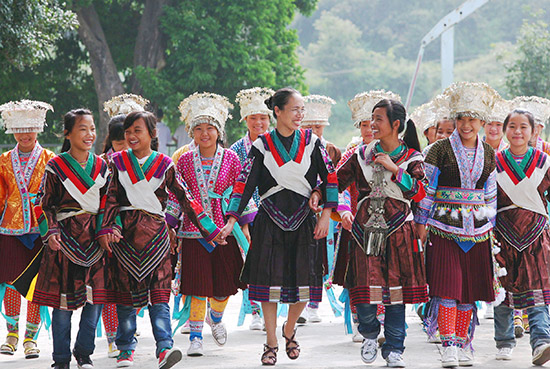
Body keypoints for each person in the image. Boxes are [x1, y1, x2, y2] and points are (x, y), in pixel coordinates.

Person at [98, 110, 222, 369]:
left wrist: (210, 230)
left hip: (157, 237)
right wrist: (106, 228)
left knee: (160, 297)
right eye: (128, 131)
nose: (132, 136)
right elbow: (110, 198)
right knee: (125, 298)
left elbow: (186, 199)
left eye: (137, 131)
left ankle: (165, 348)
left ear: (152, 134)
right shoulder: (117, 163)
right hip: (126, 240)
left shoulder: (165, 164)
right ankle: (125, 350)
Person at [222, 87, 337, 365]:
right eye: (295, 109)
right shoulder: (261, 146)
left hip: (304, 221)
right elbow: (244, 184)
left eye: (302, 110)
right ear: (278, 111)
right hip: (269, 221)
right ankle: (271, 340)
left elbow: (330, 178)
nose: (300, 115)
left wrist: (325, 213)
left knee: (306, 284)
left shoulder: (313, 143)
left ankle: (289, 328)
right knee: (267, 285)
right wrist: (231, 220)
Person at [336, 98, 427, 368]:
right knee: (363, 292)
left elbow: (420, 193)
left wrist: (395, 169)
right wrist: (319, 192)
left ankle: (395, 349)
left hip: (400, 231)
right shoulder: (360, 155)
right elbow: (336, 181)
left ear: (395, 124)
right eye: (371, 119)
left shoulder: (413, 158)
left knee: (396, 296)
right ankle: (369, 334)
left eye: (378, 119)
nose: (372, 124)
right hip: (365, 232)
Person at [17, 108, 109, 369]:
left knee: (95, 302)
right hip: (65, 240)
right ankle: (60, 359)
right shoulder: (56, 166)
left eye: (92, 129)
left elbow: (108, 204)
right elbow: (44, 204)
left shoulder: (103, 166)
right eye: (83, 129)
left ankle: (84, 353)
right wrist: (52, 232)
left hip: (95, 241)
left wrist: (106, 229)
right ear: (68, 134)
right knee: (63, 305)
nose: (89, 134)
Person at [416, 82, 499, 368]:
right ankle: (448, 343)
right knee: (448, 287)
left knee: (469, 291)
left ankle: (464, 342)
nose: (466, 125)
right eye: (461, 118)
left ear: (482, 122)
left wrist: (491, 226)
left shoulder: (489, 153)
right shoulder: (438, 150)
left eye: (472, 119)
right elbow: (426, 189)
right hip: (443, 226)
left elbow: (490, 194)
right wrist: (421, 222)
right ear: (454, 119)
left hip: (477, 231)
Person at [170, 92, 256, 356]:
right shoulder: (183, 160)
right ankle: (196, 336)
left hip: (224, 230)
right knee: (197, 286)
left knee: (226, 285)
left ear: (219, 131)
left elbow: (240, 192)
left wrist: (240, 225)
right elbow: (176, 196)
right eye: (198, 129)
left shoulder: (231, 158)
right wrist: (171, 226)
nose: (204, 133)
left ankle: (215, 318)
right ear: (191, 133)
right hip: (193, 232)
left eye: (210, 128)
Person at [336, 90, 400, 343]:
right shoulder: (353, 154)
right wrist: (344, 211)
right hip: (355, 220)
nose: (369, 129)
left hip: (388, 223)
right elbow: (338, 184)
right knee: (359, 274)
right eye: (364, 124)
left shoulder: (397, 153)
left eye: (373, 123)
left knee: (385, 273)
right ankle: (362, 321)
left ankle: (383, 323)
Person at [492, 109, 550, 365]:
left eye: (523, 127)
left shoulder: (544, 162)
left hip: (536, 234)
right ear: (505, 130)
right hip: (502, 233)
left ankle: (541, 342)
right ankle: (504, 340)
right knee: (502, 291)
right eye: (512, 126)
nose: (517, 131)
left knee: (538, 289)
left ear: (533, 131)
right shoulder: (493, 162)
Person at [0, 100, 55, 359]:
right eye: (19, 129)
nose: (24, 134)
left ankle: (31, 338)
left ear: (38, 128)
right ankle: (11, 334)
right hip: (10, 231)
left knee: (35, 288)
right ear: (11, 131)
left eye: (30, 128)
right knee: (11, 284)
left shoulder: (50, 159)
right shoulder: (3, 161)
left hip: (40, 233)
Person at [231, 87, 274, 330]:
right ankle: (255, 310)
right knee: (252, 260)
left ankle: (271, 307)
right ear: (245, 120)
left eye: (263, 117)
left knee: (272, 262)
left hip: (274, 211)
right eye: (253, 118)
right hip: (249, 214)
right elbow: (238, 184)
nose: (259, 122)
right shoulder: (237, 149)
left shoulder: (278, 143)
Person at [299, 94, 341, 324]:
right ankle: (302, 303)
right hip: (302, 209)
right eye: (310, 125)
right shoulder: (297, 149)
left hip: (326, 210)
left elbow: (336, 182)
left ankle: (314, 304)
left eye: (319, 126)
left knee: (321, 256)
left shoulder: (332, 150)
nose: (315, 130)